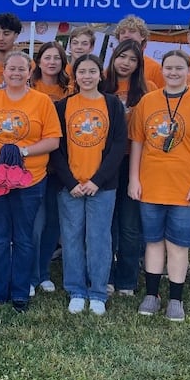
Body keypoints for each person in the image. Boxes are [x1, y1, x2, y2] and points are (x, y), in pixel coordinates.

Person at [128, 49, 190, 321]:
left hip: (186, 187)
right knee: (153, 241)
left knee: (178, 245)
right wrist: (134, 178)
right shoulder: (148, 101)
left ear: (188, 71)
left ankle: (176, 299)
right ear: (162, 70)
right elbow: (137, 142)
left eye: (179, 68)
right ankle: (152, 294)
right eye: (168, 67)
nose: (173, 72)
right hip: (151, 185)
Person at [0, 52, 61, 313]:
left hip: (30, 181)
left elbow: (53, 140)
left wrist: (23, 151)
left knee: (23, 237)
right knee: (0, 238)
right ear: (4, 71)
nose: (16, 73)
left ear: (29, 71)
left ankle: (20, 292)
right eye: (12, 68)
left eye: (22, 69)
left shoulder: (42, 102)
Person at [51, 54, 126, 315]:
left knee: (99, 238)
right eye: (82, 72)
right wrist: (70, 181)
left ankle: (97, 292)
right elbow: (56, 148)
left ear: (100, 75)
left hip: (101, 186)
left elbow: (119, 145)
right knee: (71, 237)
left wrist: (97, 180)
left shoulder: (112, 104)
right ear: (75, 76)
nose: (87, 76)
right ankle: (76, 290)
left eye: (92, 71)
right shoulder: (63, 106)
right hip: (70, 186)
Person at [101, 39, 155, 297]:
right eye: (122, 56)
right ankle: (106, 277)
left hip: (136, 163)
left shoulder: (148, 90)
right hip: (105, 162)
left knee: (130, 225)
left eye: (133, 59)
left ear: (139, 64)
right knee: (107, 222)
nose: (126, 63)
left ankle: (127, 280)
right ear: (114, 57)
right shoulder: (101, 84)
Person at [29, 41, 71, 295]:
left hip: (62, 164)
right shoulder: (29, 87)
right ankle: (31, 273)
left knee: (53, 222)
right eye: (47, 57)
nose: (52, 62)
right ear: (39, 61)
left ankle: (43, 271)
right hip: (35, 165)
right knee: (36, 222)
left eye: (57, 58)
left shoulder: (71, 90)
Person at [114, 15, 164, 88]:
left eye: (132, 31)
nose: (126, 35)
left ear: (142, 36)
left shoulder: (155, 68)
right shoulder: (111, 67)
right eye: (122, 32)